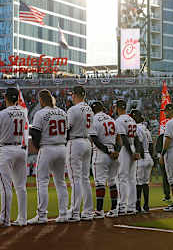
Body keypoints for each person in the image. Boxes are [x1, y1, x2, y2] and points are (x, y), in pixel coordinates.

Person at [28, 89, 69, 224]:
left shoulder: (40, 113)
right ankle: (63, 213)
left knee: (43, 182)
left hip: (47, 148)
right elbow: (68, 133)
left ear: (41, 100)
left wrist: (39, 147)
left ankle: (42, 215)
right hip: (62, 148)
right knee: (61, 182)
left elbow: (35, 134)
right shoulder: (63, 112)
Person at [0, 88, 28, 227]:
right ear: (17, 98)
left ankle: (4, 220)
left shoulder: (1, 114)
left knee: (5, 187)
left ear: (6, 98)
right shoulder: (23, 113)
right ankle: (22, 219)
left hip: (5, 149)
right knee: (21, 187)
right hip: (20, 149)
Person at [65, 86, 94, 221]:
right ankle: (88, 211)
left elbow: (67, 128)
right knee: (85, 179)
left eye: (72, 94)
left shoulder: (73, 109)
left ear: (75, 95)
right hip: (87, 142)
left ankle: (75, 212)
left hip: (75, 142)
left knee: (75, 178)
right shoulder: (89, 109)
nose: (71, 97)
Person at [89, 101, 120, 219]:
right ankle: (114, 209)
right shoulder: (112, 119)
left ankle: (99, 211)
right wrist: (116, 151)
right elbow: (118, 138)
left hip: (101, 152)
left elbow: (95, 139)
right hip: (114, 152)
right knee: (112, 181)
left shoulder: (94, 119)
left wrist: (107, 152)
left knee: (100, 182)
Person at [115, 99, 141, 216]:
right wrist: (137, 152)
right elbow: (136, 139)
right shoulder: (131, 120)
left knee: (122, 178)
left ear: (118, 108)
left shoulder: (119, 120)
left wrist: (131, 153)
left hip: (126, 150)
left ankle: (122, 206)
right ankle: (131, 206)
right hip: (132, 147)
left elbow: (123, 138)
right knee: (131, 179)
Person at [132, 110, 154, 213]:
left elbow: (139, 143)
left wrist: (140, 155)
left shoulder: (136, 127)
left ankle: (137, 206)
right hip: (148, 156)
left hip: (141, 157)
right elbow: (151, 145)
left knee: (138, 183)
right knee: (145, 183)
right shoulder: (146, 129)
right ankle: (146, 205)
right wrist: (150, 157)